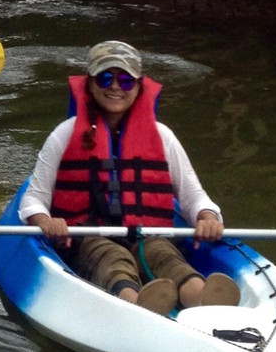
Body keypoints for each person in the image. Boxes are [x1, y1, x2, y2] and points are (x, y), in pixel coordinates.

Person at [19, 40, 240, 315]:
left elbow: (193, 196)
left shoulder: (162, 136)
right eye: (105, 78)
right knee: (112, 259)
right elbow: (33, 200)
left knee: (165, 257)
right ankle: (136, 306)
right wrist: (46, 222)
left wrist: (207, 217)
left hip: (147, 234)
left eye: (125, 80)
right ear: (90, 84)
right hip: (87, 236)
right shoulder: (64, 134)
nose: (115, 87)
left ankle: (204, 300)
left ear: (139, 86)